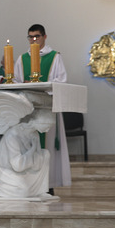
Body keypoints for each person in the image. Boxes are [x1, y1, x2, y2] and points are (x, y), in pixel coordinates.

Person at [13, 24, 70, 189]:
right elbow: (15, 81)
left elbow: (61, 81)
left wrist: (41, 85)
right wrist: (24, 85)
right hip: (28, 110)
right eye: (30, 37)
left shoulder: (55, 57)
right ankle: (30, 184)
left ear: (44, 37)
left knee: (48, 146)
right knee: (27, 146)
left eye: (37, 36)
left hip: (47, 108)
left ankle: (48, 185)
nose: (33, 40)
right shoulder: (22, 59)